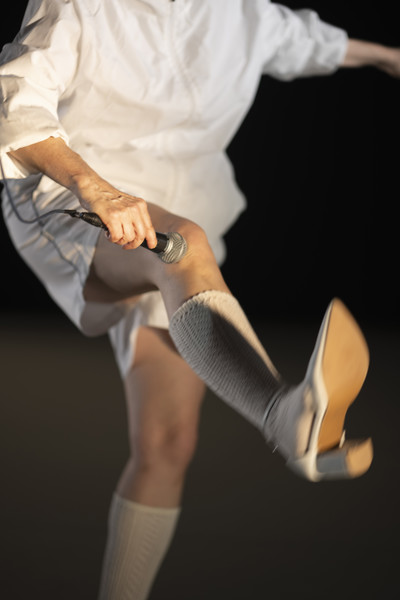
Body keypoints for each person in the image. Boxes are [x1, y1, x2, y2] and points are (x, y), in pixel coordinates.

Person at [1, 1, 399, 598]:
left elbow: (304, 41)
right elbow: (17, 98)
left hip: (177, 208)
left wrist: (388, 56)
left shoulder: (239, 11)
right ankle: (282, 415)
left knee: (168, 443)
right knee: (182, 247)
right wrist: (96, 188)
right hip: (74, 197)